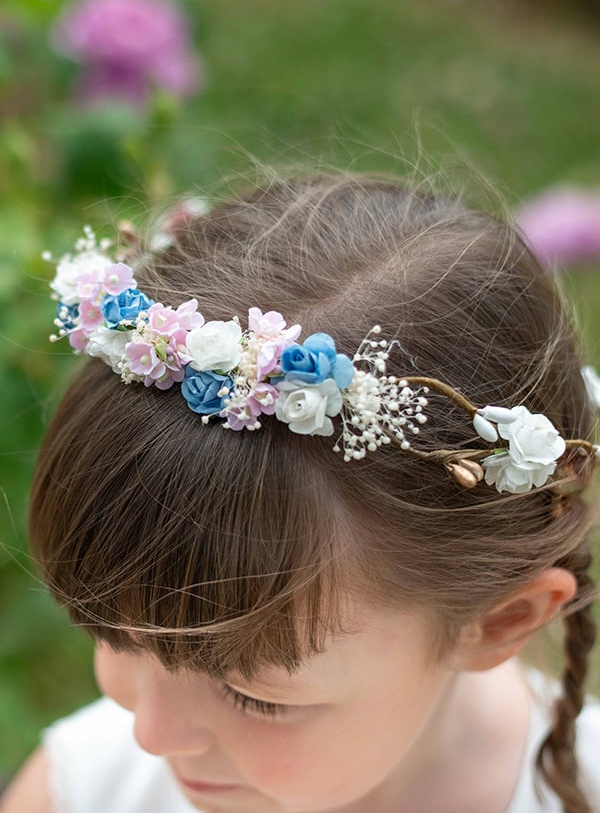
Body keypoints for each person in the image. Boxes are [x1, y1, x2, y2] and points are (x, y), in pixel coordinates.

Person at [2, 174, 600, 813]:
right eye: (115, 637)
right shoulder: (82, 791)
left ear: (498, 621)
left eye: (254, 697)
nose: (150, 735)